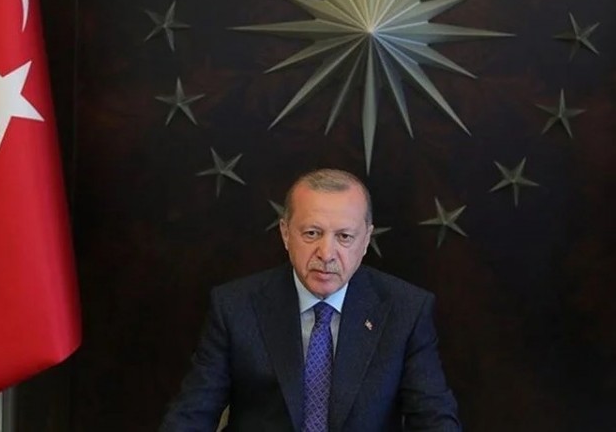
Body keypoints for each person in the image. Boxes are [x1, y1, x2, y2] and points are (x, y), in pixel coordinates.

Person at [160, 168, 460, 431]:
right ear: (285, 233)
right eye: (312, 233)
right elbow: (192, 415)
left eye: (344, 237)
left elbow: (434, 419)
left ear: (366, 240)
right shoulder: (235, 306)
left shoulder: (405, 310)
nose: (326, 254)